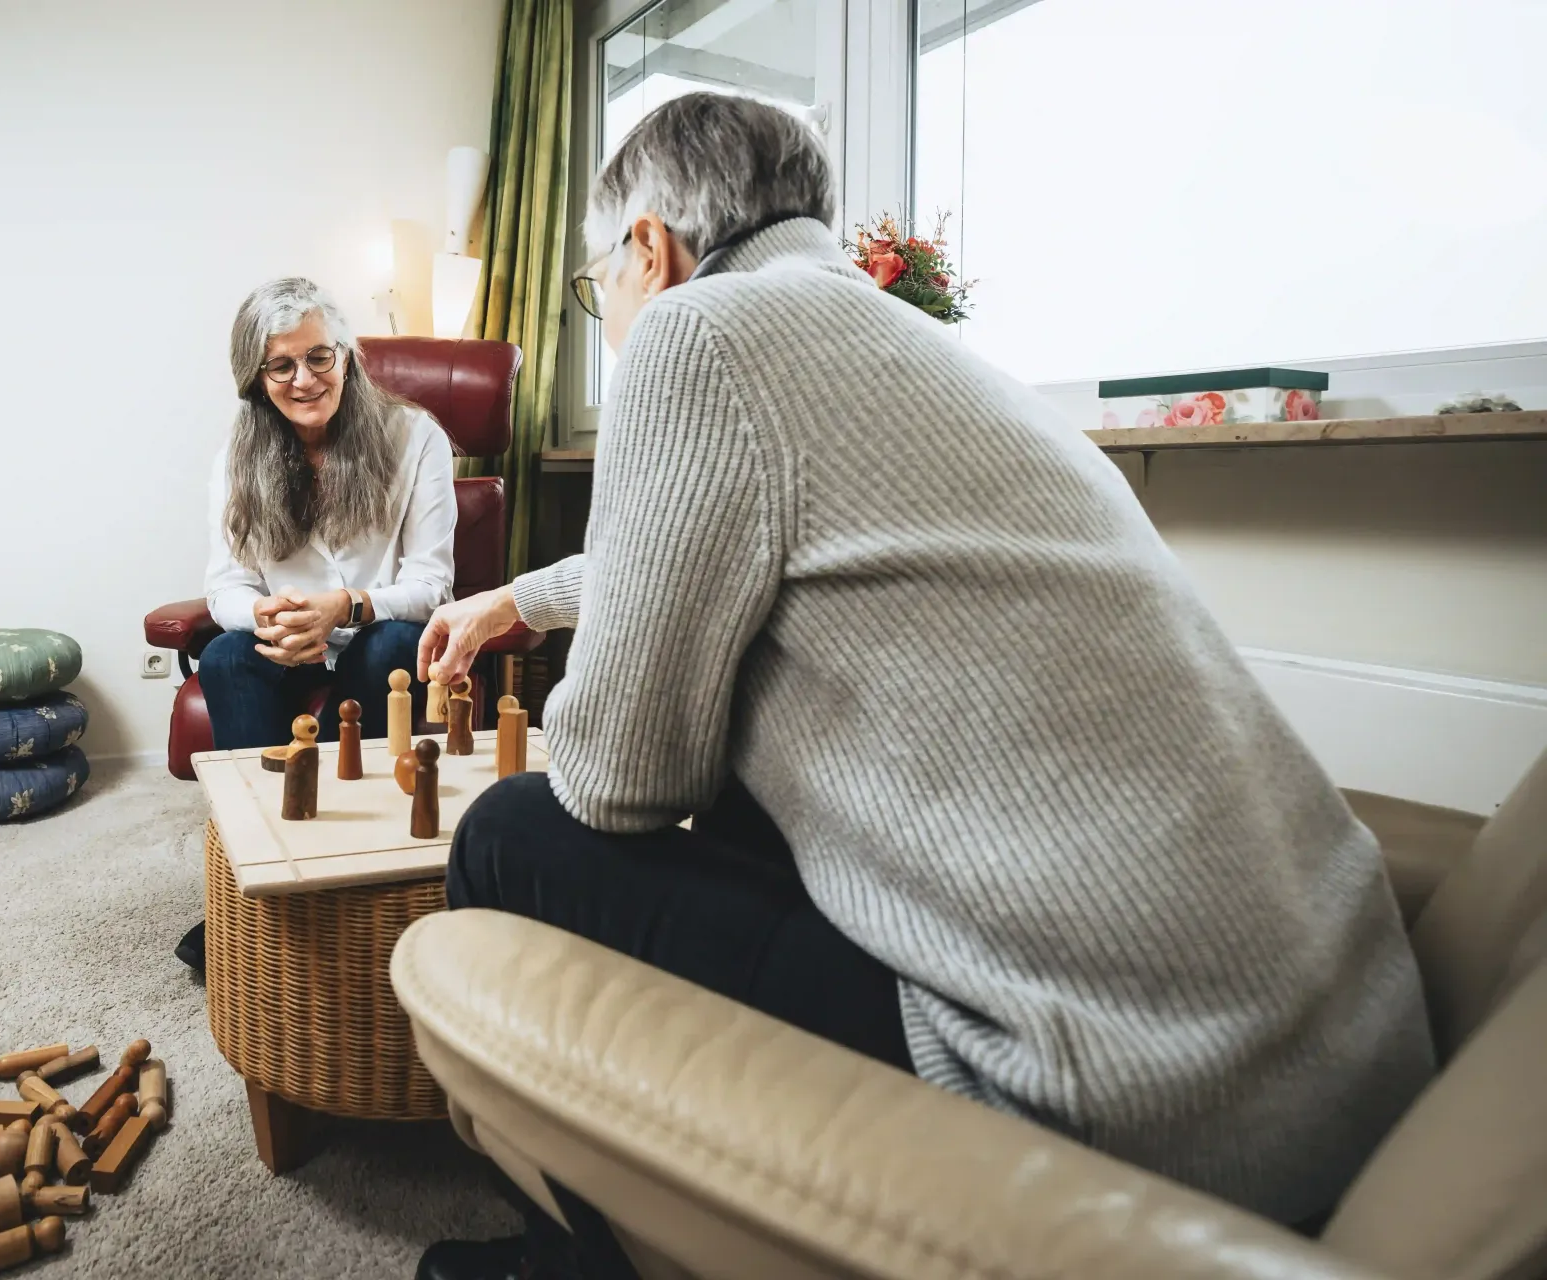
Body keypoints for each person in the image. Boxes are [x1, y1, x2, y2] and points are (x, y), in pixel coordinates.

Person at [413, 93, 1433, 1280]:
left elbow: (618, 783)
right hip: (1338, 1061)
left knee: (506, 834)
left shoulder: (696, 337)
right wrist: (524, 597)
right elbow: (740, 530)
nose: (615, 323)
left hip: (1126, 1096)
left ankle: (600, 1256)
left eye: (602, 290)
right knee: (753, 778)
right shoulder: (917, 347)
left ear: (651, 246)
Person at [176, 276, 455, 971]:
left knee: (392, 645)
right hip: (283, 644)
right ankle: (260, 877)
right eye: (282, 365)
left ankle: (333, 866)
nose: (305, 379)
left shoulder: (416, 438)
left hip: (375, 633)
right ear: (257, 377)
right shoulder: (235, 461)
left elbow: (432, 585)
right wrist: (269, 615)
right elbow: (227, 589)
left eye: (319, 357)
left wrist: (348, 607)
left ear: (347, 355)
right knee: (227, 657)